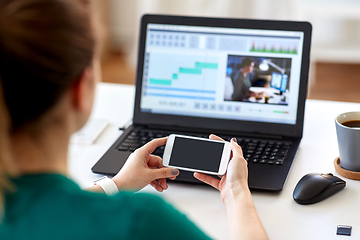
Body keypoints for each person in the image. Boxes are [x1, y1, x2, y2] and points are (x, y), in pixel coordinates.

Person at [0, 0, 269, 239]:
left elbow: (46, 211)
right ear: (80, 89)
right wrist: (236, 191)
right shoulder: (140, 221)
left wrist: (115, 184)